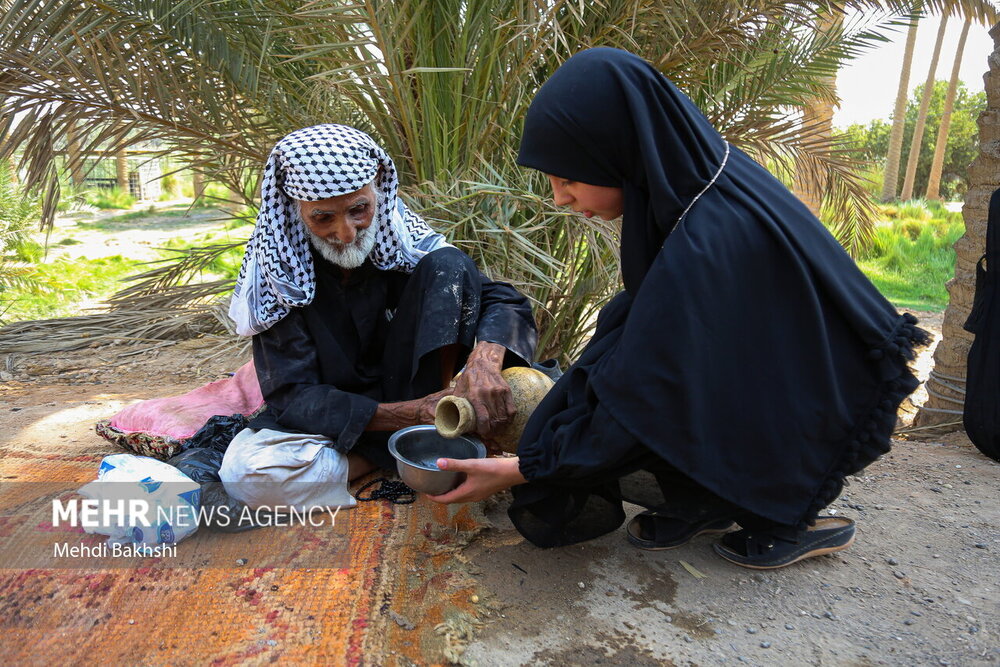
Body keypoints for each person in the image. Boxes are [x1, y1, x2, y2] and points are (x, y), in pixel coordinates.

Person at [430, 48, 928, 569]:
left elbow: (651, 383)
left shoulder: (709, 238)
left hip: (815, 393)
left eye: (568, 178)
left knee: (634, 390)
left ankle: (787, 515)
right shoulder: (692, 184)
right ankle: (707, 498)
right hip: (769, 372)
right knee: (614, 355)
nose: (559, 198)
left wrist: (527, 468)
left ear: (617, 150)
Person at [220, 124, 537, 511]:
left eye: (359, 210)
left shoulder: (400, 241)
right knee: (248, 475)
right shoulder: (280, 275)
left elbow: (502, 300)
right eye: (323, 218)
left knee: (452, 265)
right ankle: (389, 452)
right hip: (341, 416)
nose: (346, 233)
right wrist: (412, 414)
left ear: (377, 193)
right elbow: (294, 396)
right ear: (296, 210)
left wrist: (483, 362)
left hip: (425, 391)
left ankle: (419, 439)